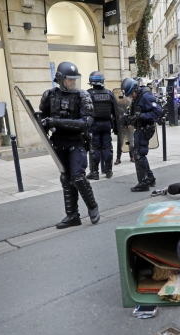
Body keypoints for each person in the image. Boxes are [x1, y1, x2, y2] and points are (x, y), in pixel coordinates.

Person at [39, 61, 100, 228]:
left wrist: (56, 122)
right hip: (58, 143)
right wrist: (45, 124)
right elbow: (40, 119)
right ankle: (72, 215)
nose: (73, 83)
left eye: (75, 79)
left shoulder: (82, 96)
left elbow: (86, 122)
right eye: (69, 80)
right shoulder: (49, 96)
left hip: (76, 141)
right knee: (66, 178)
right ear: (60, 79)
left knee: (78, 176)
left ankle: (92, 207)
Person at [121, 77, 163, 192]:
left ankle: (143, 182)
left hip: (146, 128)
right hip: (140, 127)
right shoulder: (138, 97)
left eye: (131, 94)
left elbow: (158, 112)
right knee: (139, 153)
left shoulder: (146, 96)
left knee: (139, 154)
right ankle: (149, 177)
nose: (131, 97)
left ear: (135, 89)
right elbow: (137, 112)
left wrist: (140, 117)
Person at [86, 71, 116, 180]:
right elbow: (115, 111)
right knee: (107, 147)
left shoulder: (88, 94)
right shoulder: (109, 93)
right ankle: (108, 171)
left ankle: (94, 173)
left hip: (94, 125)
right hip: (107, 124)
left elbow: (85, 111)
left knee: (95, 148)